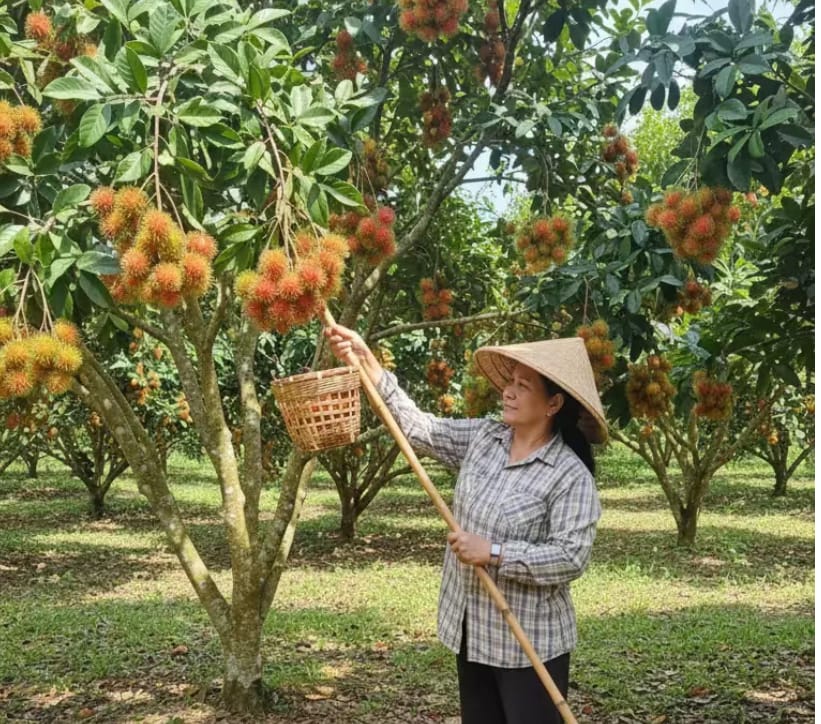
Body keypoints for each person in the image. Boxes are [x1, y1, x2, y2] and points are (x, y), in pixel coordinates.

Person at [324, 323, 607, 724]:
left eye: (523, 386)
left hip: (529, 642)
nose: (508, 391)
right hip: (474, 630)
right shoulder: (485, 439)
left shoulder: (568, 474)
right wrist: (366, 361)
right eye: (510, 381)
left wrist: (492, 552)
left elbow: (570, 557)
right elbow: (421, 429)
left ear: (553, 404)